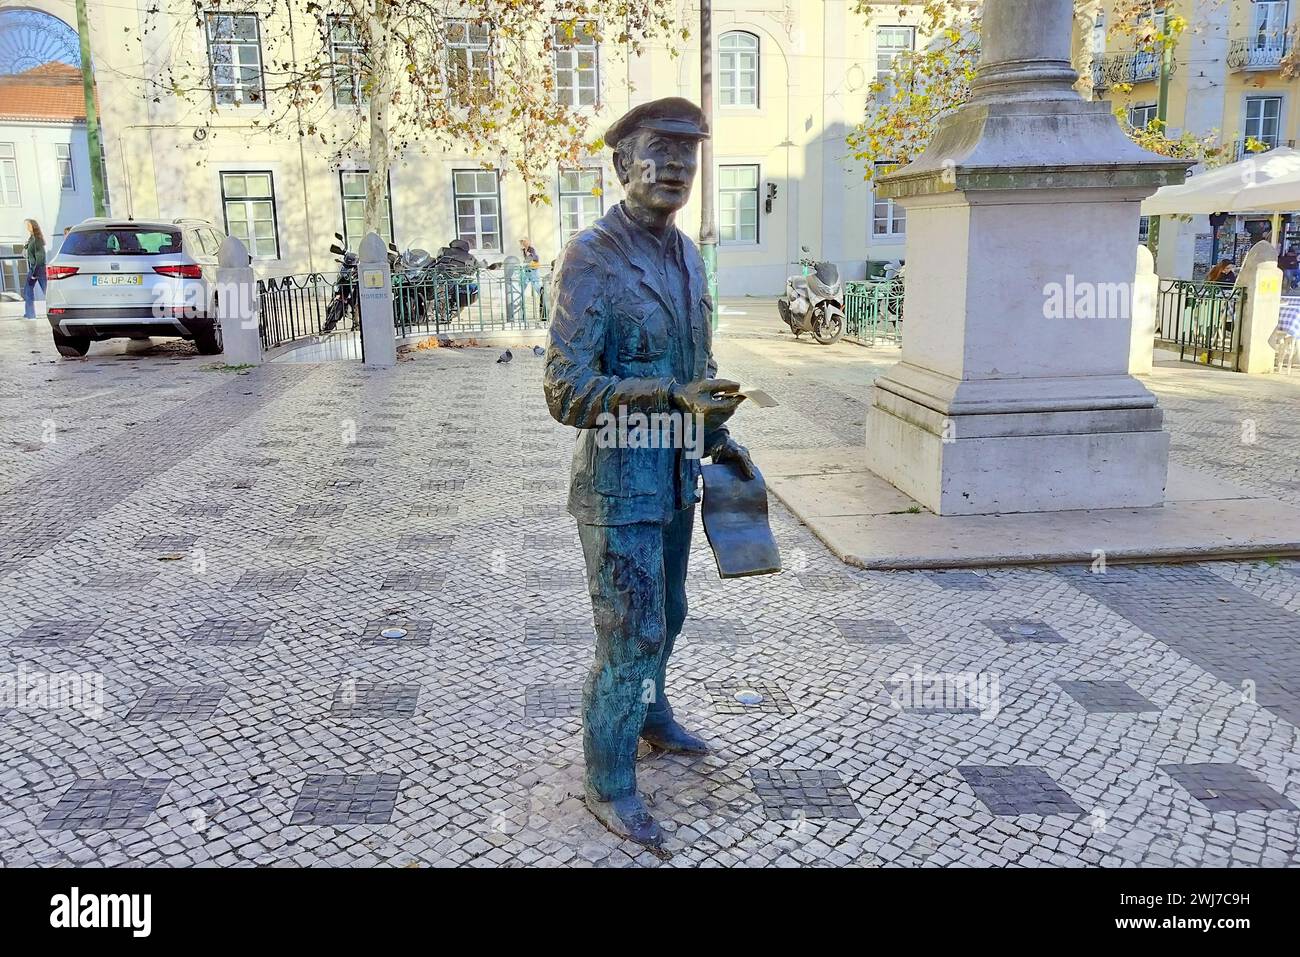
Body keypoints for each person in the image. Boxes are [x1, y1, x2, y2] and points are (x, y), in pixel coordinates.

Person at [544, 97, 755, 848]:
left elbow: (692, 366)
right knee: (629, 632)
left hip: (672, 474)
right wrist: (668, 395)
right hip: (616, 486)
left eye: (688, 153)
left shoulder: (689, 254)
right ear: (621, 163)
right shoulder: (591, 257)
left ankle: (653, 715)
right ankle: (609, 780)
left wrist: (712, 418)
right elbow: (565, 391)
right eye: (658, 150)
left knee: (671, 612)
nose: (675, 166)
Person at [22, 218, 48, 320]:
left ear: (33, 226)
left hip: (38, 268)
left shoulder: (37, 239)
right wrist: (26, 245)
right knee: (28, 290)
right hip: (34, 267)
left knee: (46, 291)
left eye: (28, 225)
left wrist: (35, 272)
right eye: (26, 225)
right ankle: (30, 314)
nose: (27, 227)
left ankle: (56, 309)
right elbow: (25, 253)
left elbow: (40, 257)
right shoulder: (31, 239)